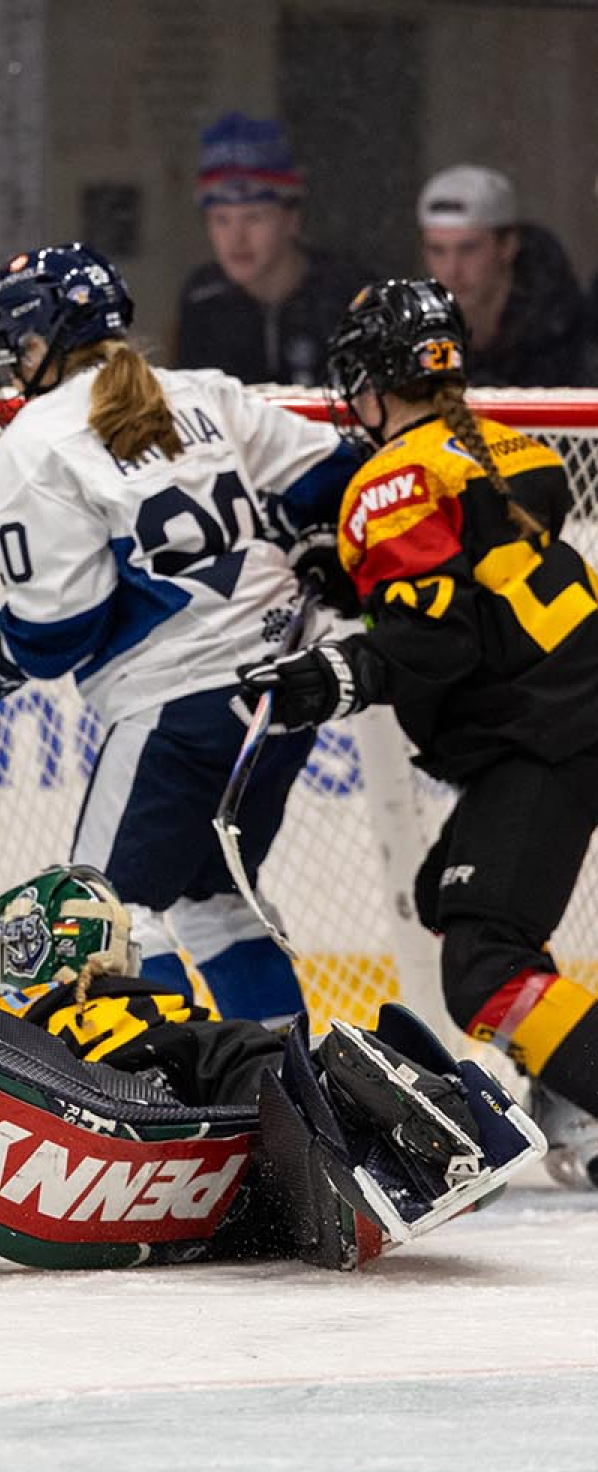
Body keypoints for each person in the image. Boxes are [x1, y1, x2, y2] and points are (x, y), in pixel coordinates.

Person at [0, 242, 360, 1028]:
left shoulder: (34, 447)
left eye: (16, 346)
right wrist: (320, 545)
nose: (12, 364)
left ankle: (168, 1108)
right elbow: (342, 473)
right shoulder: (201, 394)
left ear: (40, 342)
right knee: (215, 903)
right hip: (283, 699)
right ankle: (294, 1105)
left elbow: (60, 627)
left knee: (98, 921)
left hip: (181, 711)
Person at [237, 277, 598, 1190]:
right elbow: (477, 585)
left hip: (550, 733)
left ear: (376, 378)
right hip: (566, 708)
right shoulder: (507, 448)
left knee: (481, 969)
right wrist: (364, 591)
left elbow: (438, 638)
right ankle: (578, 1108)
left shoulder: (391, 479)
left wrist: (342, 669)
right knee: (452, 896)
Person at [0, 863, 544, 1272]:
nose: (2, 973)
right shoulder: (151, 1016)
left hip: (138, 1099)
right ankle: (364, 1122)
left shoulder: (81, 1021)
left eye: (14, 952)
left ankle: (390, 1128)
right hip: (158, 1115)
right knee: (242, 1052)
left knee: (248, 1054)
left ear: (58, 947)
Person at [174, 112, 373, 387]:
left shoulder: (348, 294)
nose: (237, 239)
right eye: (221, 220)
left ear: (292, 220)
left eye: (254, 218)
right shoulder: (203, 299)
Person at [417, 164, 585, 388]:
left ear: (507, 246)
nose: (451, 269)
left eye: (468, 249)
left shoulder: (575, 343)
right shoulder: (416, 338)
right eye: (437, 250)